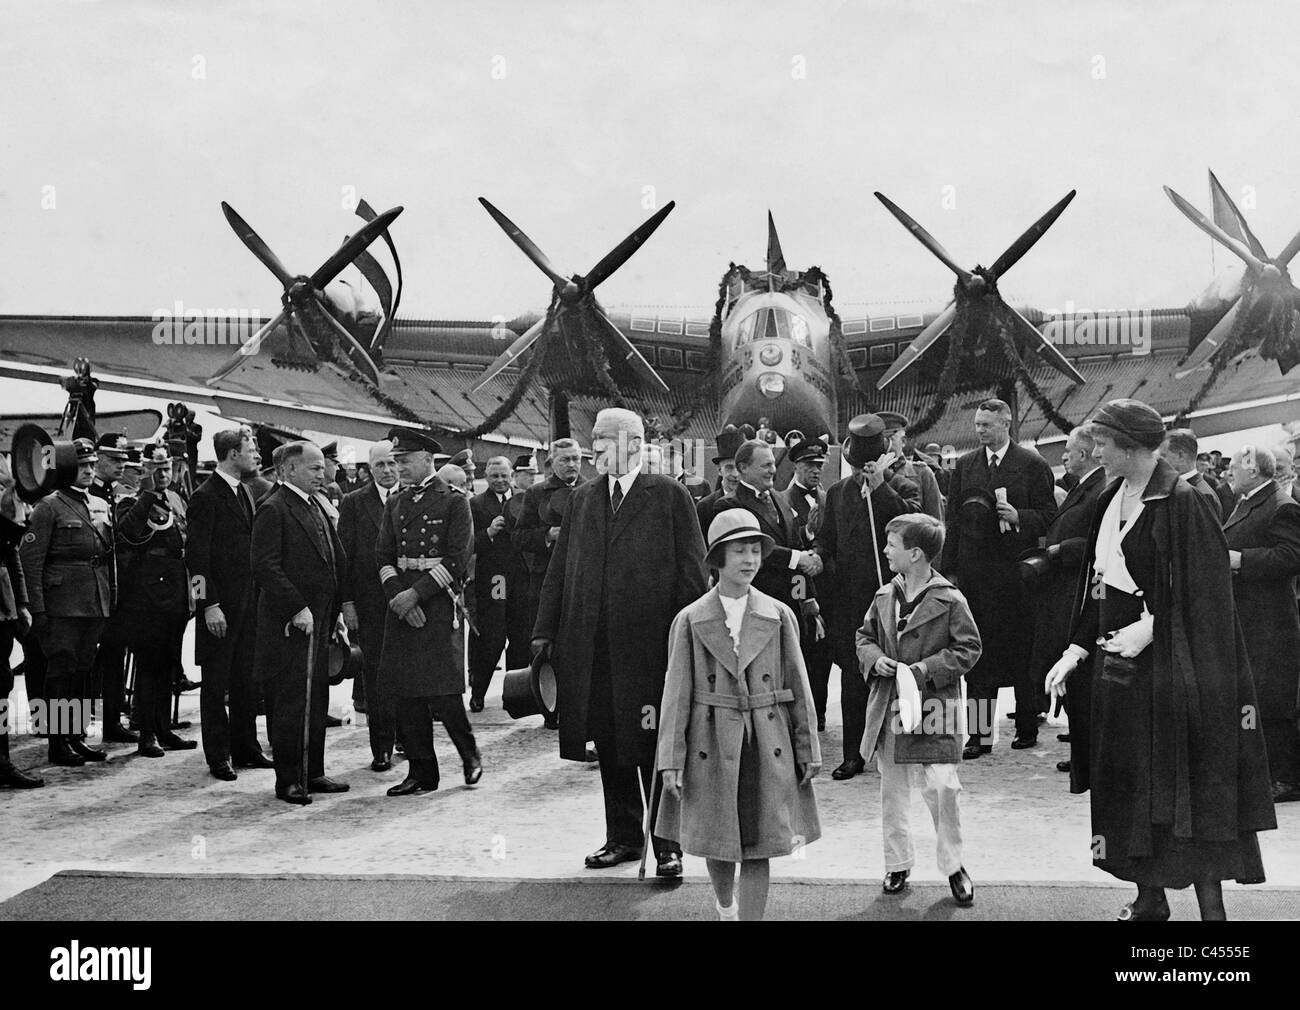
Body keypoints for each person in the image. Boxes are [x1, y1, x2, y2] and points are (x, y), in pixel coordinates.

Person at [1045, 399, 1276, 921]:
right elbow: (1099, 585)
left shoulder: (1185, 501)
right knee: (1124, 785)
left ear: (1129, 445)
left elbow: (1209, 594)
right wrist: (1076, 648)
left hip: (1173, 676)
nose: (1092, 451)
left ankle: (1212, 917)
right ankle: (1149, 899)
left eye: (1101, 443)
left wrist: (1151, 629)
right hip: (1116, 672)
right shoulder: (1112, 497)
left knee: (1181, 790)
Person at [533, 407, 708, 876]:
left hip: (651, 650)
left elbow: (693, 575)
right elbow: (560, 572)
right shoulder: (583, 499)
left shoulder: (669, 496)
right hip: (592, 647)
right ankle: (624, 837)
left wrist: (686, 642)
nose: (595, 448)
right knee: (610, 744)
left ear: (633, 442)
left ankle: (668, 842)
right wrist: (544, 632)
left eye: (603, 439)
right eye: (593, 439)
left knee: (655, 745)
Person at [657, 509, 821, 920]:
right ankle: (725, 906)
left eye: (754, 551)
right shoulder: (691, 620)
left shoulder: (779, 614)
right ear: (717, 559)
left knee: (760, 841)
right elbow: (675, 696)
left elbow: (799, 687)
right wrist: (670, 760)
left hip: (766, 740)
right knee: (718, 838)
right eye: (738, 552)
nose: (749, 560)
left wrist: (808, 747)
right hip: (710, 741)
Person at [857, 513, 979, 905]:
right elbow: (864, 637)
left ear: (915, 554)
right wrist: (874, 659)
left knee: (943, 786)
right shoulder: (883, 596)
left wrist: (926, 669)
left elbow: (969, 649)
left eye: (891, 544)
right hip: (890, 704)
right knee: (891, 790)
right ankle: (897, 864)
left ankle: (954, 865)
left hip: (934, 706)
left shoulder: (950, 599)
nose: (885, 550)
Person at [939, 398, 1056, 756]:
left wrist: (1020, 516)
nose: (979, 430)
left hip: (1016, 577)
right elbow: (953, 522)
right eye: (977, 424)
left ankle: (1025, 726)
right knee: (976, 657)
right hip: (975, 578)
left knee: (1022, 653)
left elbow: (1050, 515)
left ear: (1006, 424)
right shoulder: (965, 465)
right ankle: (979, 735)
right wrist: (950, 572)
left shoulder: (1032, 464)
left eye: (986, 425)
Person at [812, 414, 921, 780]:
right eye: (857, 467)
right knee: (854, 677)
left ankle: (904, 745)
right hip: (852, 601)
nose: (862, 473)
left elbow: (915, 527)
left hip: (895, 597)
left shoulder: (903, 487)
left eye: (867, 467)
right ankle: (854, 753)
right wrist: (816, 555)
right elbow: (827, 539)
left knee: (900, 672)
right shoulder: (838, 493)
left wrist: (880, 490)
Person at [377, 429, 481, 796]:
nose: (398, 467)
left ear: (426, 459)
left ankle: (469, 756)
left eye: (404, 460)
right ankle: (422, 772)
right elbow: (383, 557)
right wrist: (399, 599)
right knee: (406, 692)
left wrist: (416, 596)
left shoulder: (454, 501)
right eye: (395, 460)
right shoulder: (395, 502)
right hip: (402, 604)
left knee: (444, 690)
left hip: (437, 603)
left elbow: (457, 559)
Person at [251, 441, 349, 805]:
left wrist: (336, 609)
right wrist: (295, 607)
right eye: (313, 468)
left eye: (322, 468)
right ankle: (288, 779)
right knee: (293, 701)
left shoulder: (314, 505)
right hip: (290, 623)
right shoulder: (274, 508)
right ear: (289, 470)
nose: (321, 474)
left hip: (320, 619)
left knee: (316, 697)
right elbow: (264, 565)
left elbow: (332, 559)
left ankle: (313, 770)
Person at [19, 438, 112, 766]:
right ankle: (58, 744)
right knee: (60, 671)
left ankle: (75, 736)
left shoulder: (99, 504)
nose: (89, 471)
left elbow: (106, 557)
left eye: (92, 465)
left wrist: (109, 600)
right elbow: (30, 561)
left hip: (93, 602)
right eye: (82, 466)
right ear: (67, 470)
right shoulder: (49, 507)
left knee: (82, 671)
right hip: (62, 605)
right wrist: (37, 609)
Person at [188, 429, 271, 781]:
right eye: (251, 449)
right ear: (232, 453)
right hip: (220, 609)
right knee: (215, 683)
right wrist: (208, 604)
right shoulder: (205, 496)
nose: (256, 455)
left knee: (244, 682)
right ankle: (218, 756)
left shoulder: (244, 492)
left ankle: (246, 748)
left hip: (247, 605)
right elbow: (195, 559)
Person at [1026, 426, 1106, 783]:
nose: (1063, 457)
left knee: (1081, 681)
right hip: (1063, 588)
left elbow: (1098, 540)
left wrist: (1061, 550)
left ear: (1085, 455)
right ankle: (1081, 755)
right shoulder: (1085, 487)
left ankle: (1086, 759)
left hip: (1078, 591)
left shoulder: (1099, 489)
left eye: (1069, 452)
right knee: (1074, 683)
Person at [1221, 446, 1300, 804]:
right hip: (1251, 617)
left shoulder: (1282, 506)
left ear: (1252, 468)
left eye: (1234, 467)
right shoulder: (1251, 500)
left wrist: (1240, 560)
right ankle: (1266, 774)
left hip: (1270, 621)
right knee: (1256, 696)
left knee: (1272, 700)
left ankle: (1285, 778)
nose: (1228, 473)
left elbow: (1291, 557)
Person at [114, 445, 195, 757]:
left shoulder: (174, 499)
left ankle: (164, 728)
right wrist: (147, 494)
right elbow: (129, 534)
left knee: (168, 666)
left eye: (167, 468)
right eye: (156, 469)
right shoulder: (132, 500)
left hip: (176, 591)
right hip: (147, 596)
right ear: (145, 470)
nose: (164, 475)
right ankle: (147, 733)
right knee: (149, 666)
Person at [511, 438, 583, 726]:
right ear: (551, 463)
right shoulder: (537, 493)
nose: (571, 465)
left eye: (576, 459)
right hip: (545, 580)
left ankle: (579, 710)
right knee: (546, 644)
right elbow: (518, 537)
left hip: (581, 580)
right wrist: (547, 536)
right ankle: (549, 707)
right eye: (564, 459)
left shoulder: (593, 490)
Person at [339, 439, 400, 771]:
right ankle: (382, 748)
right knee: (376, 679)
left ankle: (410, 739)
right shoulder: (354, 503)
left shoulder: (411, 498)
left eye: (393, 463)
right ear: (370, 469)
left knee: (410, 674)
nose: (388, 470)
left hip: (411, 603)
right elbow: (344, 559)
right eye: (381, 465)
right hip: (371, 606)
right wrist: (347, 603)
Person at [779, 436, 833, 731]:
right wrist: (808, 533)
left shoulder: (828, 498)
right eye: (810, 465)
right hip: (800, 588)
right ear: (797, 466)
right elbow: (791, 551)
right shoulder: (784, 501)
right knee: (802, 650)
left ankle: (820, 710)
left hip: (826, 586)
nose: (816, 470)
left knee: (823, 653)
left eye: (819, 465)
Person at [87, 432, 133, 744]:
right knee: (77, 664)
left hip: (115, 591)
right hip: (85, 594)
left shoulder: (117, 495)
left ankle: (111, 722)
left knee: (114, 657)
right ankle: (67, 731)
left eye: (122, 459)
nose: (121, 464)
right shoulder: (80, 495)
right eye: (114, 459)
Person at [0, 457, 41, 787]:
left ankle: (1, 760)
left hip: (3, 609)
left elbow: (11, 554)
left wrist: (23, 603)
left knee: (1, 683)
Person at [468, 456, 519, 711]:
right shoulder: (476, 504)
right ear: (486, 478)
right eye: (494, 477)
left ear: (511, 475)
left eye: (504, 476)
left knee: (520, 637)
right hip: (493, 579)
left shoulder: (524, 499)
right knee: (492, 638)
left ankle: (517, 695)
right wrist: (488, 533)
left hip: (520, 578)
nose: (500, 481)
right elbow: (467, 544)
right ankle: (479, 691)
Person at [879, 412, 944, 520]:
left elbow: (936, 519)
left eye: (890, 439)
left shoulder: (921, 473)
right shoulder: (869, 474)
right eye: (880, 440)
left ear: (903, 441)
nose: (885, 445)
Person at [1159, 429, 1222, 521]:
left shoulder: (1202, 495)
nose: (1158, 462)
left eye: (1163, 456)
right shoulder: (1181, 489)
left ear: (1180, 456)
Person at [696, 425, 744, 534]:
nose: (735, 474)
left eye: (739, 467)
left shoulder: (755, 501)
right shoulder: (705, 507)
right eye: (729, 467)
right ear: (719, 470)